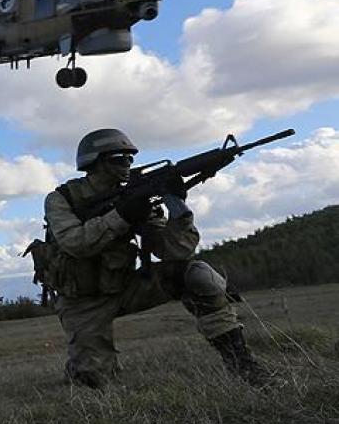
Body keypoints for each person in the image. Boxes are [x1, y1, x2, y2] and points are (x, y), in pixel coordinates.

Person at [41, 128, 273, 389]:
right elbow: (75, 243)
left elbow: (175, 251)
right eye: (119, 159)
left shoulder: (135, 197)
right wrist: (122, 216)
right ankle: (80, 369)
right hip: (81, 302)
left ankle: (244, 367)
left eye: (130, 159)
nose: (127, 166)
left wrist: (178, 208)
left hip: (125, 287)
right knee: (94, 382)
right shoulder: (62, 199)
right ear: (94, 163)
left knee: (198, 274)